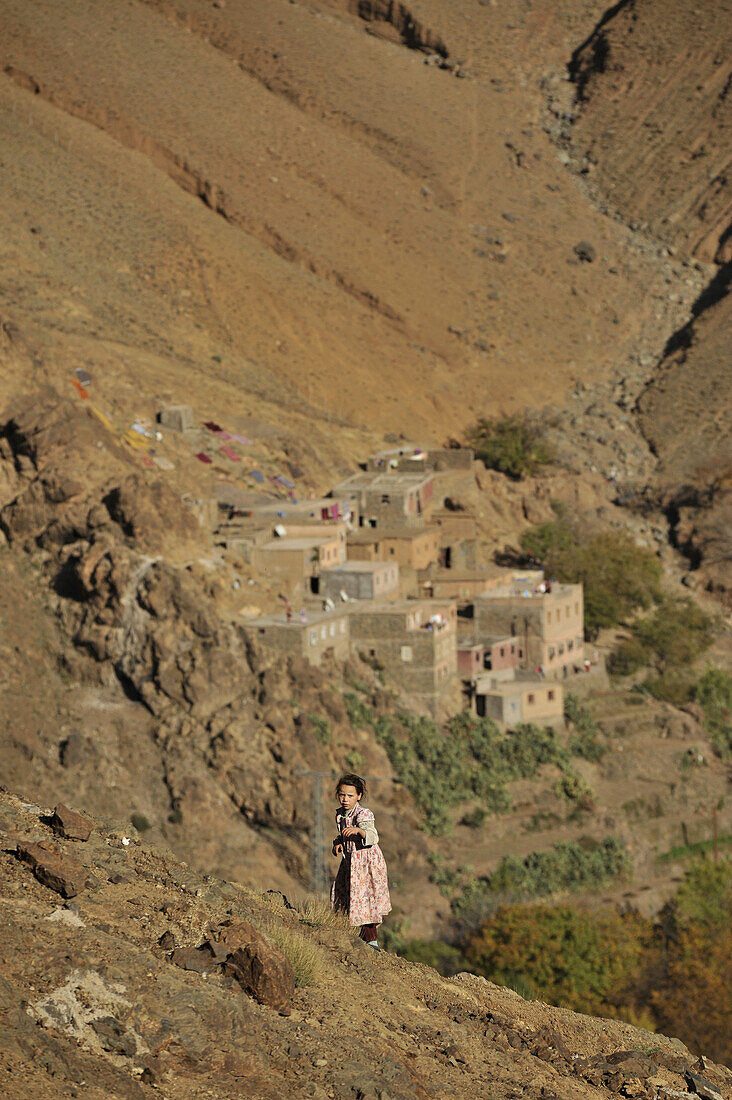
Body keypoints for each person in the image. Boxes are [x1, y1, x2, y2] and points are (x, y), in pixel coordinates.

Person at [331, 773, 391, 949]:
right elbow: (342, 835)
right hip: (351, 863)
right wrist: (338, 844)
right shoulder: (341, 815)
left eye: (350, 795)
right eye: (342, 795)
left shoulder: (363, 814)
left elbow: (373, 836)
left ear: (359, 796)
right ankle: (355, 936)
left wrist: (359, 831)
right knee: (347, 896)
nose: (345, 799)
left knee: (366, 899)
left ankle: (371, 941)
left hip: (366, 864)